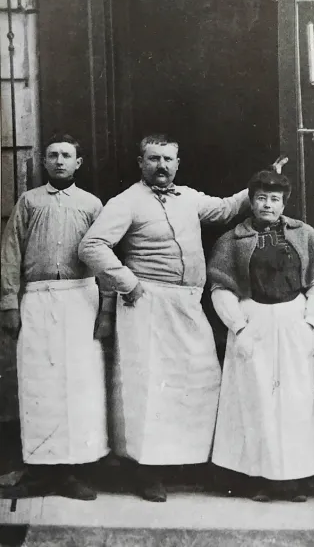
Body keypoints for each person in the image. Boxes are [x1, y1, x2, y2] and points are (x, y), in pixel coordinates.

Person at [78, 134, 250, 502]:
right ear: (140, 162)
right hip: (147, 304)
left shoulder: (189, 197)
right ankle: (146, 471)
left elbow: (223, 209)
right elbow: (91, 245)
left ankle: (190, 464)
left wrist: (259, 186)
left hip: (188, 304)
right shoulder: (126, 202)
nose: (162, 166)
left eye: (168, 159)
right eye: (154, 159)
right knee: (148, 392)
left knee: (200, 379)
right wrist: (127, 282)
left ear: (177, 163)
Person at [208, 169, 314, 502]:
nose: (267, 205)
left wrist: (310, 319)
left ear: (284, 203)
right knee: (256, 401)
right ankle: (259, 478)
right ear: (251, 201)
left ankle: (295, 479)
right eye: (261, 198)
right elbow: (220, 286)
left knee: (296, 402)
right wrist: (238, 325)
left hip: (294, 321)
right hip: (253, 322)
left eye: (274, 199)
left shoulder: (303, 233)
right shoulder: (232, 239)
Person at [0, 134, 107, 499]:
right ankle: (39, 471)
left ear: (79, 163)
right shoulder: (29, 201)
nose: (60, 161)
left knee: (79, 384)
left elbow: (105, 253)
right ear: (43, 162)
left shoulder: (92, 205)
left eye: (67, 156)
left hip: (80, 298)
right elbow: (10, 252)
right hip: (38, 300)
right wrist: (9, 303)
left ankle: (72, 472)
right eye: (53, 155)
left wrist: (105, 307)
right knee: (39, 383)